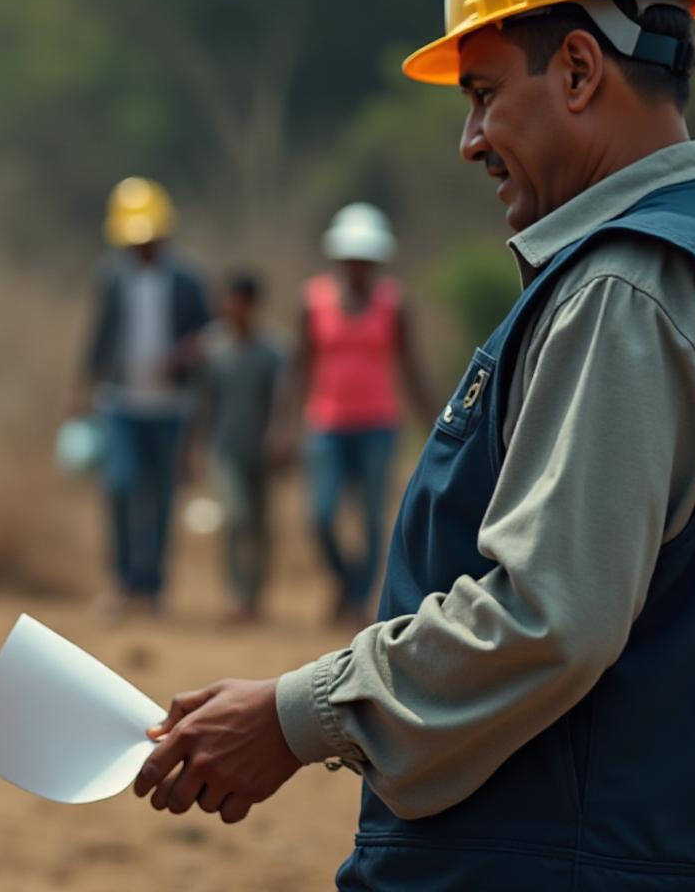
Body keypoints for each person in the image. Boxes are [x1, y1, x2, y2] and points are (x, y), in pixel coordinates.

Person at [130, 0, 695, 889]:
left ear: (577, 68)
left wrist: (298, 715)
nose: (470, 141)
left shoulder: (622, 288)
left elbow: (550, 614)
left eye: (481, 95)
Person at [276, 202, 433, 626]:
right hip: (326, 424)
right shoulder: (313, 302)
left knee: (369, 517)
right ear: (339, 260)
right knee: (321, 515)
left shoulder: (394, 305)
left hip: (378, 425)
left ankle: (357, 599)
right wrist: (283, 426)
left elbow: (411, 368)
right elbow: (298, 367)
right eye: (351, 260)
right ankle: (345, 583)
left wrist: (437, 430)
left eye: (366, 261)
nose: (358, 268)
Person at [73, 177, 210, 615]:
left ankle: (153, 587)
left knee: (163, 496)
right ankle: (122, 580)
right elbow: (99, 335)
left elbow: (209, 337)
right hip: (120, 403)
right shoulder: (112, 277)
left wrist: (184, 356)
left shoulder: (187, 280)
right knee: (122, 486)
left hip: (171, 408)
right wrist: (81, 389)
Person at [190, 273, 283, 624]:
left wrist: (283, 441)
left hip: (261, 450)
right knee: (236, 517)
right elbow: (203, 402)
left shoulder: (273, 352)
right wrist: (195, 445)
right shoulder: (213, 349)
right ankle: (236, 593)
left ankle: (255, 595)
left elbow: (281, 403)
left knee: (261, 524)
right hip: (225, 449)